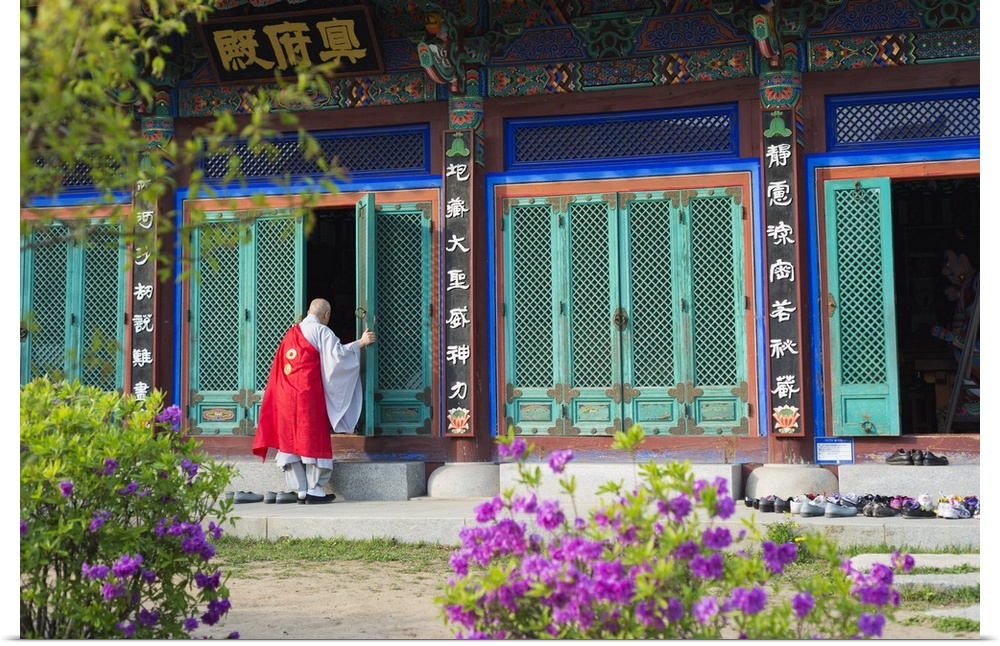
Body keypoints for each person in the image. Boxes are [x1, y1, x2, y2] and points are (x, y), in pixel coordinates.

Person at [253, 298, 376, 503]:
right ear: (326, 315)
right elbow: (337, 358)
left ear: (308, 311)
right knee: (312, 438)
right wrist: (361, 343)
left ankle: (300, 489)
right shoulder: (321, 331)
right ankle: (314, 488)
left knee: (290, 439)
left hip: (285, 395)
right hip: (307, 396)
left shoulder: (290, 333)